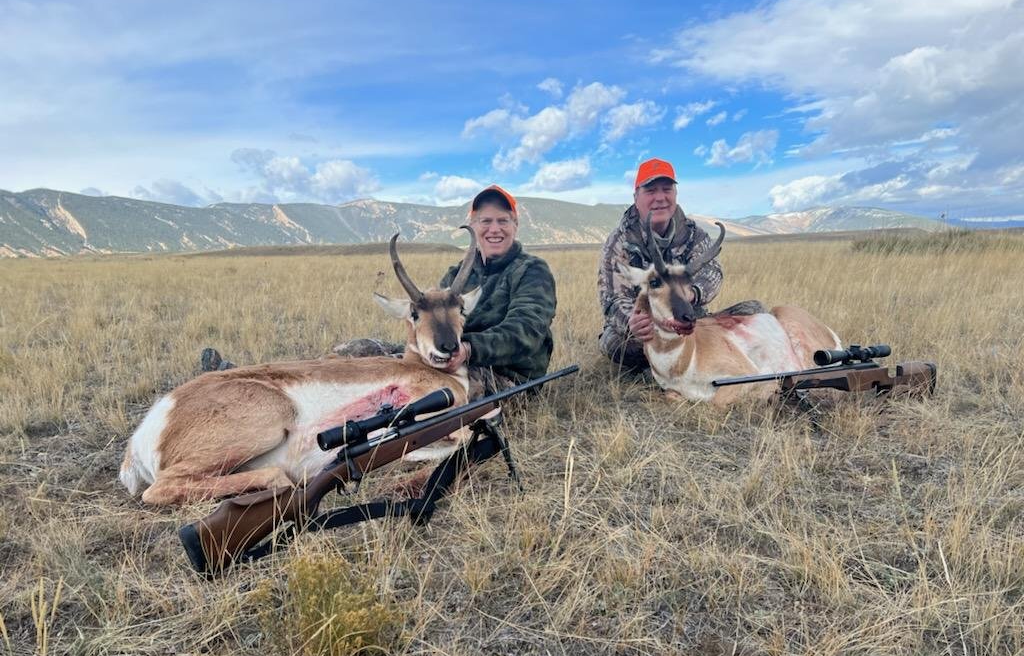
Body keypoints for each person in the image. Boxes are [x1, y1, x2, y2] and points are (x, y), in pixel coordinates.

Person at [201, 185, 557, 398]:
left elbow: (525, 332)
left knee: (402, 390)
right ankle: (253, 378)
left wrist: (468, 349)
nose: (494, 229)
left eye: (503, 221)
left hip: (504, 377)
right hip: (447, 357)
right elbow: (427, 326)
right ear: (474, 225)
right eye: (486, 221)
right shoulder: (456, 275)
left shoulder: (532, 271)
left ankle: (308, 400)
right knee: (360, 352)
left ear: (515, 224)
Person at [597, 157, 764, 372]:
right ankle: (668, 370)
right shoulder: (619, 242)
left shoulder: (694, 234)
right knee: (615, 344)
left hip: (692, 323)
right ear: (636, 197)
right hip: (649, 328)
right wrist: (633, 322)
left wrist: (691, 293)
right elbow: (613, 299)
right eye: (651, 191)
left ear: (675, 194)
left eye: (667, 189)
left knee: (755, 312)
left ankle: (697, 362)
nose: (660, 198)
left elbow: (712, 272)